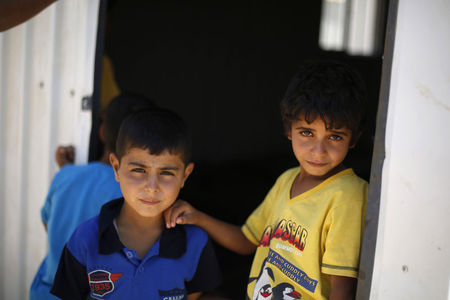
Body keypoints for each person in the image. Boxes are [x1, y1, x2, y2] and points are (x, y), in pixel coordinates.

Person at [165, 61, 369, 300]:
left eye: (335, 136)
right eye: (307, 133)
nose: (318, 150)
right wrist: (198, 217)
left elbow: (344, 288)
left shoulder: (348, 197)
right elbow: (247, 240)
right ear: (288, 129)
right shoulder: (287, 180)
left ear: (354, 139)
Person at [50, 108, 222, 299]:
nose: (151, 187)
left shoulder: (195, 243)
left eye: (166, 173)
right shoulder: (84, 240)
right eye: (139, 170)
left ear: (185, 175)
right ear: (116, 167)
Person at [30, 94, 155, 299]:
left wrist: (67, 171)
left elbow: (48, 222)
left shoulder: (66, 176)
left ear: (102, 132)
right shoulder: (137, 195)